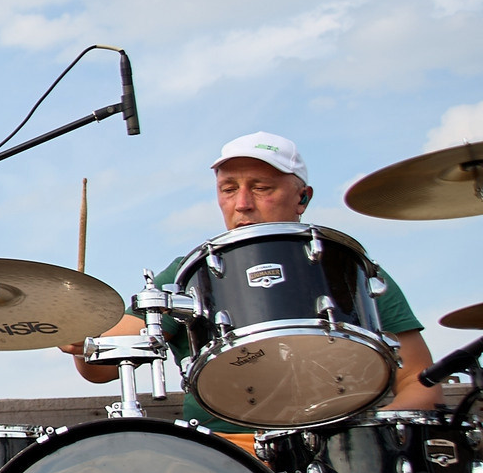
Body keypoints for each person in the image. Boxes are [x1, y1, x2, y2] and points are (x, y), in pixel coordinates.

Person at [62, 131, 435, 415]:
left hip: (339, 449)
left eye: (261, 188)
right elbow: (101, 367)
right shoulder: (186, 273)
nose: (242, 204)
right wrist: (80, 333)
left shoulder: (352, 269)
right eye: (228, 189)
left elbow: (420, 382)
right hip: (227, 461)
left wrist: (377, 438)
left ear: (302, 197)